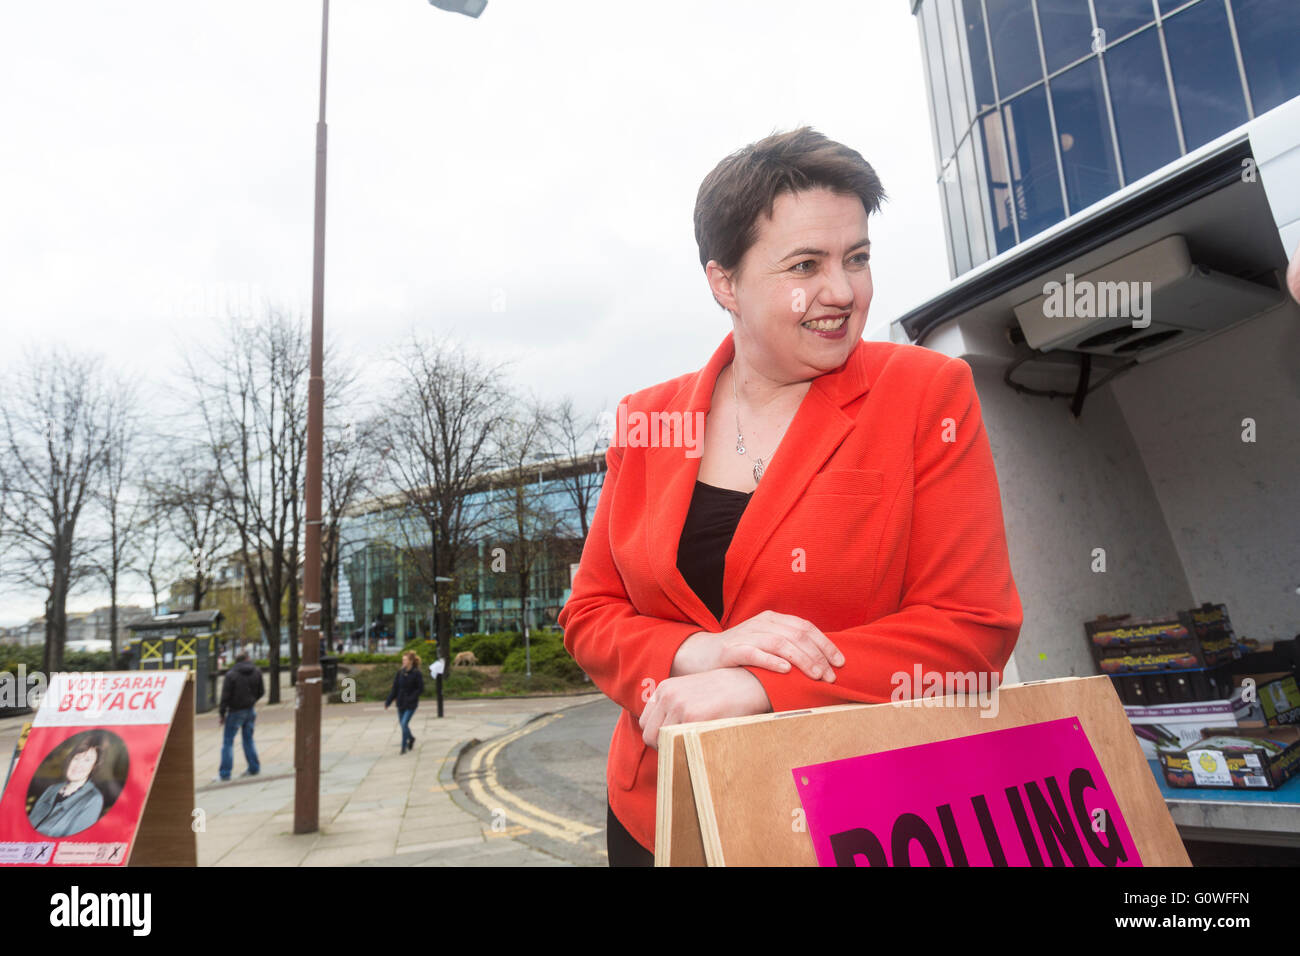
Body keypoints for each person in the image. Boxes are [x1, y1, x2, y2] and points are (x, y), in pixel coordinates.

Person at [558, 127, 1023, 866]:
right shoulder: (648, 417)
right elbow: (589, 615)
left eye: (858, 258)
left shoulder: (927, 392)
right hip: (657, 816)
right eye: (805, 264)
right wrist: (696, 651)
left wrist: (760, 685)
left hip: (849, 824)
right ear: (724, 283)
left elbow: (971, 632)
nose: (842, 292)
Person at [28, 732, 109, 837]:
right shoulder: (52, 789)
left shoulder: (93, 798)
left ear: (94, 767)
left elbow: (75, 839)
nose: (79, 764)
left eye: (87, 760)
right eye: (76, 758)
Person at [218, 650, 264, 781]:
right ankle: (254, 767)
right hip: (250, 709)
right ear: (247, 658)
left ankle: (225, 773)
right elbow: (261, 691)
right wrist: (252, 700)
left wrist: (222, 713)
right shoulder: (256, 671)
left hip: (235, 711)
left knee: (228, 742)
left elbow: (225, 696)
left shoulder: (231, 675)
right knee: (248, 739)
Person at [385, 651, 425, 754]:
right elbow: (395, 688)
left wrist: (412, 697)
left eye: (405, 660)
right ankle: (411, 738)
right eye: (403, 660)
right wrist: (388, 701)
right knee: (403, 725)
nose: (403, 662)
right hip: (401, 703)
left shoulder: (416, 673)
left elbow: (420, 689)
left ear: (410, 661)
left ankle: (403, 747)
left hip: (411, 704)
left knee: (403, 723)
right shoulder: (400, 673)